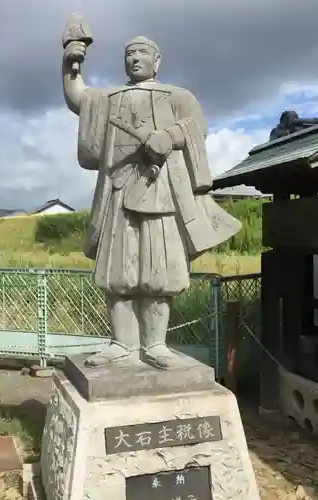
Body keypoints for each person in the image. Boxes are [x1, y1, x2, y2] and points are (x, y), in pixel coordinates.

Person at [62, 35, 241, 369]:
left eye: (142, 52)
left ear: (157, 61)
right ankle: (121, 343)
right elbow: (78, 99)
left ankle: (155, 344)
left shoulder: (177, 96)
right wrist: (71, 64)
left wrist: (169, 136)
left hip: (161, 192)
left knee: (158, 271)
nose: (134, 58)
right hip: (117, 191)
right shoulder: (109, 97)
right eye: (129, 53)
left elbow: (195, 128)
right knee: (117, 271)